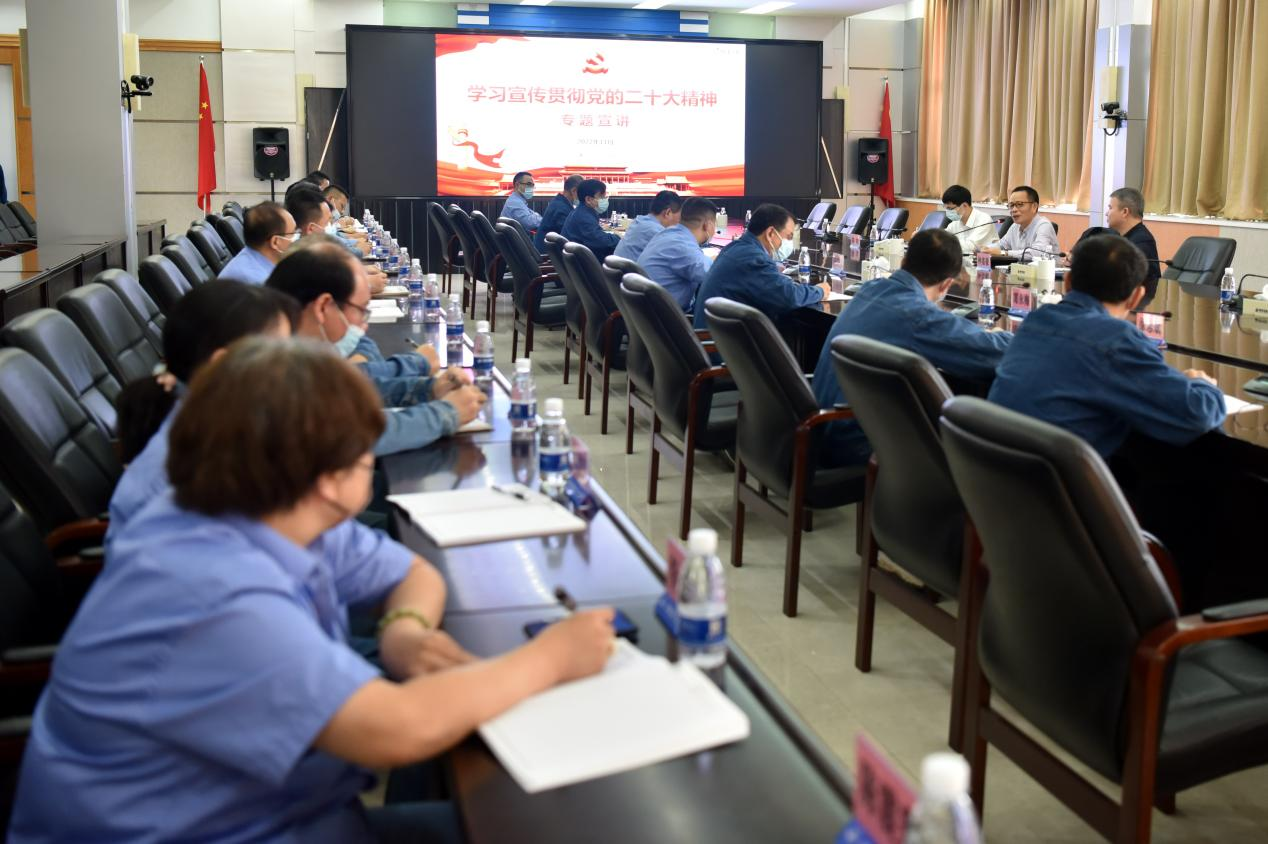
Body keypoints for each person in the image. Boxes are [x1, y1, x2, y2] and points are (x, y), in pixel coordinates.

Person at [8, 337, 616, 842]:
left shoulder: (266, 505)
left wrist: (402, 630)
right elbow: (397, 728)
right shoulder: (210, 591)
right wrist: (550, 658)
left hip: (279, 811)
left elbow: (412, 573)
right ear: (330, 479)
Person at [988, 234, 1225, 458]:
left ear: (1068, 283)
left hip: (992, 475)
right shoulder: (1117, 340)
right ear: (1136, 297)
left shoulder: (1035, 319)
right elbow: (1197, 413)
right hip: (1058, 483)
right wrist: (1202, 384)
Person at [109, 280, 299, 544]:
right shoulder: (196, 467)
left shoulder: (223, 421)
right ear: (224, 364)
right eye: (280, 355)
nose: (292, 368)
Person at [812, 228, 1013, 467]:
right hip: (860, 445)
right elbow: (993, 353)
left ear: (904, 260)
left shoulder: (870, 289)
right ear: (946, 284)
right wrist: (1000, 335)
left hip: (822, 429)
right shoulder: (919, 317)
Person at [266, 241, 486, 455]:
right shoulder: (271, 367)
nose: (365, 325)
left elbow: (350, 392)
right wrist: (446, 414)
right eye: (362, 310)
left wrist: (430, 389)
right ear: (323, 307)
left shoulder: (295, 349)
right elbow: (352, 434)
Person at [693, 203, 829, 330]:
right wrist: (820, 291)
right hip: (720, 343)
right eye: (789, 237)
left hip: (715, 337)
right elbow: (787, 296)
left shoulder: (736, 248)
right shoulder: (754, 259)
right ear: (770, 233)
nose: (790, 243)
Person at [637, 197, 716, 311]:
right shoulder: (682, 245)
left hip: (648, 311)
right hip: (667, 317)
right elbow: (712, 275)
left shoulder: (667, 234)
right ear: (707, 225)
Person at [217, 201, 299, 285]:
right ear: (275, 242)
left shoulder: (252, 256)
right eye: (293, 233)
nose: (297, 237)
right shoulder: (257, 281)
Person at [1105, 186, 1161, 302]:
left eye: (1110, 208)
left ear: (1125, 212)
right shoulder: (1121, 237)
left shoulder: (1141, 243)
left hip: (1134, 305)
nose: (1106, 213)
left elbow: (1119, 277)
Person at [987, 185, 1060, 260]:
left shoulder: (1044, 226)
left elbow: (1038, 253)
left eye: (1019, 204)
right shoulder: (1015, 226)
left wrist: (1004, 253)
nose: (1014, 210)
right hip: (1020, 267)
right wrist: (985, 249)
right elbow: (1000, 245)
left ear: (1034, 207)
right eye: (1011, 205)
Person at [561, 178, 621, 261]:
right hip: (584, 264)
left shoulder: (581, 211)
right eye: (601, 197)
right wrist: (620, 237)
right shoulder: (583, 216)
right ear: (588, 199)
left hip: (579, 260)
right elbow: (602, 241)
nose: (604, 199)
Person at [614, 190, 681, 262]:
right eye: (679, 216)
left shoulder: (639, 221)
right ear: (668, 213)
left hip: (619, 267)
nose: (679, 221)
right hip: (631, 268)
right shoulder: (658, 232)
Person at [941, 184, 998, 254]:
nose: (948, 212)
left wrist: (946, 243)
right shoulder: (955, 222)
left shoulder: (984, 220)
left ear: (964, 205)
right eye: (946, 208)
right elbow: (942, 238)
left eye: (950, 208)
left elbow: (971, 247)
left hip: (985, 260)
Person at [534, 174, 583, 252]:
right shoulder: (562, 209)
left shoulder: (559, 202)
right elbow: (573, 235)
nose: (583, 197)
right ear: (574, 191)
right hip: (547, 254)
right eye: (582, 193)